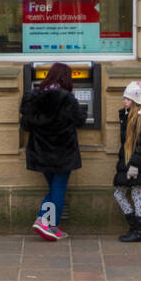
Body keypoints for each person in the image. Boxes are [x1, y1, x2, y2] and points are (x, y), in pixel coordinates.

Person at [19, 62, 87, 240]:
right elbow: (80, 119)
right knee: (58, 188)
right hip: (62, 152)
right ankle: (44, 219)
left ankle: (52, 227)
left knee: (54, 188)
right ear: (66, 78)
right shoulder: (67, 98)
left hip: (40, 153)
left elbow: (26, 124)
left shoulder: (34, 97)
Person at [113, 80, 141, 243]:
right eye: (124, 98)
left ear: (135, 101)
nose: (124, 101)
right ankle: (135, 228)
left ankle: (138, 231)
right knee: (121, 194)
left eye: (128, 99)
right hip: (128, 162)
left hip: (135, 164)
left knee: (136, 193)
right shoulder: (128, 116)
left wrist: (135, 166)